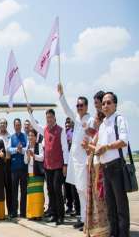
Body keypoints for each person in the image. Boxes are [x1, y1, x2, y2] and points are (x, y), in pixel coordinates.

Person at [83, 92, 130, 237]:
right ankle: (113, 234)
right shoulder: (103, 125)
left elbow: (123, 141)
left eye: (109, 102)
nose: (105, 105)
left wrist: (107, 147)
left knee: (120, 206)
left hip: (116, 166)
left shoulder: (119, 120)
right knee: (110, 206)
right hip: (105, 169)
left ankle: (123, 234)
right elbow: (99, 149)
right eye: (103, 103)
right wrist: (89, 147)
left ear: (115, 105)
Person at [58, 84, 94, 231]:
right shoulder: (77, 118)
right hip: (75, 161)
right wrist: (61, 95)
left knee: (85, 190)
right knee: (79, 190)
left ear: (86, 106)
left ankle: (89, 220)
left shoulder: (90, 119)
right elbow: (66, 109)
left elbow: (93, 136)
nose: (79, 107)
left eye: (81, 105)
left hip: (84, 161)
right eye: (77, 105)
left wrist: (88, 130)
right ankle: (83, 218)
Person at [28, 107, 68, 225]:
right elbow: (35, 126)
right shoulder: (44, 130)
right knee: (50, 191)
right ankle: (54, 214)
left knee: (57, 190)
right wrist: (30, 114)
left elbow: (65, 149)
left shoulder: (60, 130)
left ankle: (61, 216)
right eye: (47, 118)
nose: (49, 119)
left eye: (50, 117)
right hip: (47, 166)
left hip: (58, 166)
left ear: (54, 117)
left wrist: (65, 164)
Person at [84, 90, 109, 237]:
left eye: (98, 103)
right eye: (97, 104)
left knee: (102, 194)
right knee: (95, 194)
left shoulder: (107, 120)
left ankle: (105, 227)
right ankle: (95, 227)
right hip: (94, 159)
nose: (98, 106)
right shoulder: (96, 119)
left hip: (103, 161)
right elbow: (92, 139)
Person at [8, 118, 27, 218]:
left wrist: (22, 150)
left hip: (24, 168)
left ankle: (23, 212)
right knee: (14, 191)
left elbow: (27, 148)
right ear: (14, 126)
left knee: (24, 191)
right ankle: (14, 212)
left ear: (21, 125)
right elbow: (9, 149)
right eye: (16, 125)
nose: (18, 126)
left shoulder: (25, 136)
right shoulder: (11, 137)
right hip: (14, 168)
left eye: (19, 124)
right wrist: (16, 149)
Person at [24, 129, 44, 220]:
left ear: (36, 137)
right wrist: (28, 156)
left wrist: (34, 155)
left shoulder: (39, 146)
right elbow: (25, 161)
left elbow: (42, 158)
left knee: (38, 195)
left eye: (32, 135)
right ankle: (31, 214)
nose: (30, 137)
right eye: (29, 135)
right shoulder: (27, 147)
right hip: (30, 173)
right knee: (31, 195)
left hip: (38, 173)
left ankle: (38, 214)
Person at [64, 118, 80, 217]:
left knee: (78, 188)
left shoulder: (79, 131)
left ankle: (78, 208)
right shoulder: (68, 133)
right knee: (70, 188)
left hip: (78, 162)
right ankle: (74, 207)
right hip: (70, 162)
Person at [0, 118, 12, 218]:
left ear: (6, 125)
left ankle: (10, 211)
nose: (2, 125)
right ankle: (1, 211)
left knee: (9, 189)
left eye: (4, 123)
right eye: (1, 123)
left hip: (8, 165)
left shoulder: (10, 136)